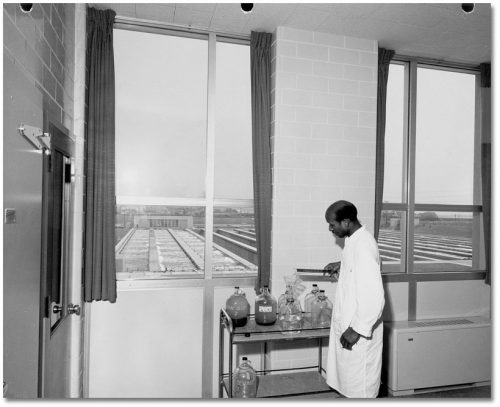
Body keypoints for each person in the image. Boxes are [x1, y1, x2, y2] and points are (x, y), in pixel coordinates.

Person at [323, 200, 385, 398]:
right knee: (349, 387)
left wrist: (357, 329)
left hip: (359, 332)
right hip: (349, 325)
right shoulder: (353, 241)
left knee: (361, 390)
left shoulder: (364, 245)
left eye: (333, 224)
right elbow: (358, 273)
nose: (330, 229)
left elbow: (374, 296)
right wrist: (342, 265)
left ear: (347, 222)